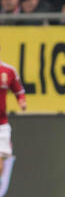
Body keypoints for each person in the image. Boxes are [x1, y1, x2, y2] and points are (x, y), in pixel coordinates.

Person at [0, 46, 26, 176]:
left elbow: (18, 90)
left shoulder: (8, 71)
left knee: (0, 161)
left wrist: (21, 100)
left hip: (1, 123)